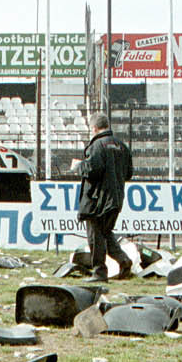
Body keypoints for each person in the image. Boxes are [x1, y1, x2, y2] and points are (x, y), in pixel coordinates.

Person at [77, 113, 132, 279]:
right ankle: (124, 261)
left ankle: (99, 271)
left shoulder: (97, 146)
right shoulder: (122, 146)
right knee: (106, 233)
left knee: (95, 235)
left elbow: (93, 170)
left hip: (97, 199)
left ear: (94, 128)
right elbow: (129, 173)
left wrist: (79, 166)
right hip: (116, 198)